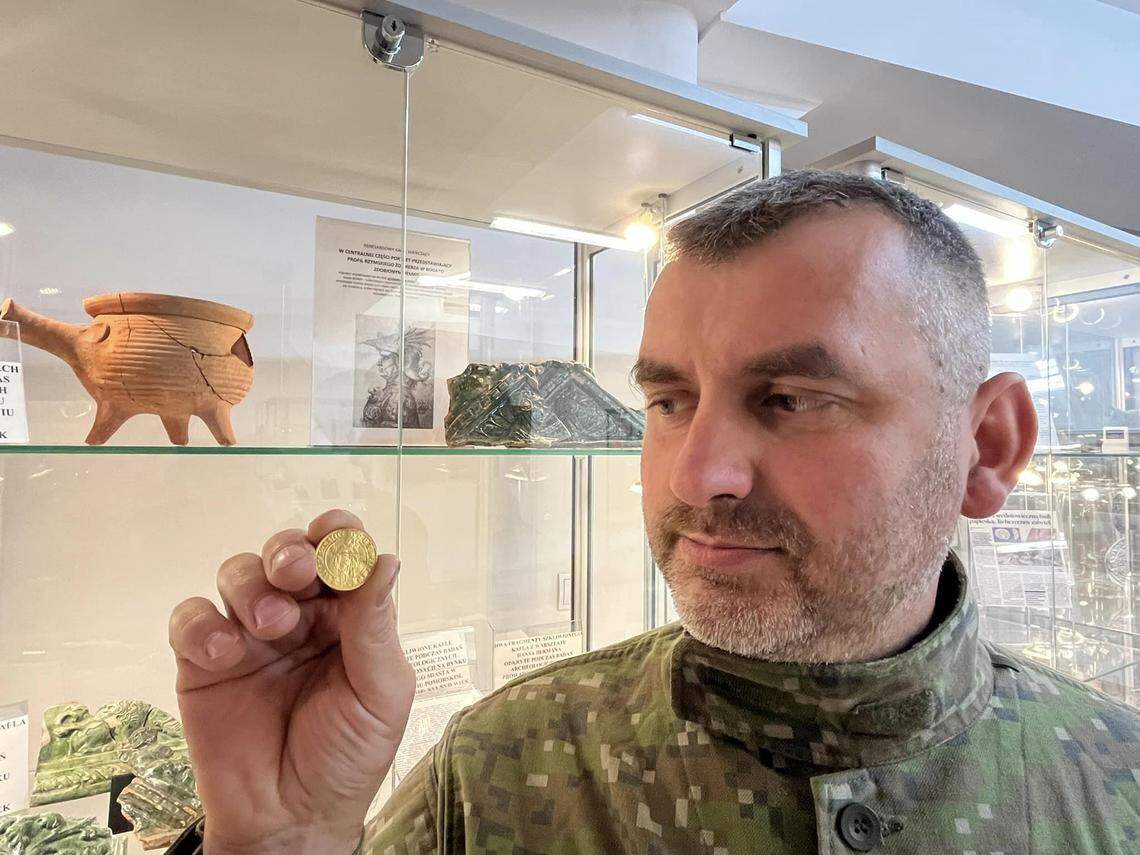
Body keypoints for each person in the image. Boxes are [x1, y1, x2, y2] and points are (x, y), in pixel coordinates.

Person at [165, 171, 1140, 854]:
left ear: (989, 447)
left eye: (792, 399)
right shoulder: (504, 769)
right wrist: (280, 841)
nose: (695, 474)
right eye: (669, 402)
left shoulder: (1117, 791)